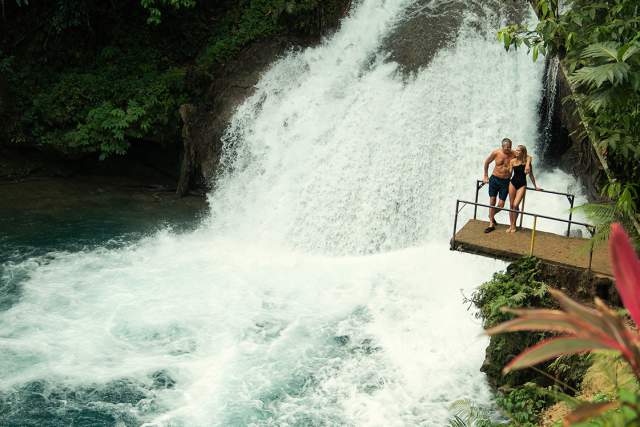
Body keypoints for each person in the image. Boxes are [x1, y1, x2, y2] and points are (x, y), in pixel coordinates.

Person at [506, 145, 541, 233]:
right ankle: (512, 225)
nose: (516, 152)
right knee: (511, 205)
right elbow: (510, 174)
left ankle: (514, 224)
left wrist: (535, 186)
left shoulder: (527, 163)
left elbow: (531, 175)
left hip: (522, 184)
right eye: (516, 150)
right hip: (512, 183)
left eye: (519, 151)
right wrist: (507, 171)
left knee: (515, 205)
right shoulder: (512, 161)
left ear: (522, 152)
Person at [482, 138, 514, 233]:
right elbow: (487, 162)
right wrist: (485, 176)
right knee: (492, 200)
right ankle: (491, 224)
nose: (508, 149)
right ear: (502, 146)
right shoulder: (496, 153)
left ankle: (491, 215)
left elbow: (526, 156)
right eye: (507, 148)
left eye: (510, 147)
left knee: (501, 205)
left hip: (505, 181)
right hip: (495, 179)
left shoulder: (514, 153)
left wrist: (528, 164)